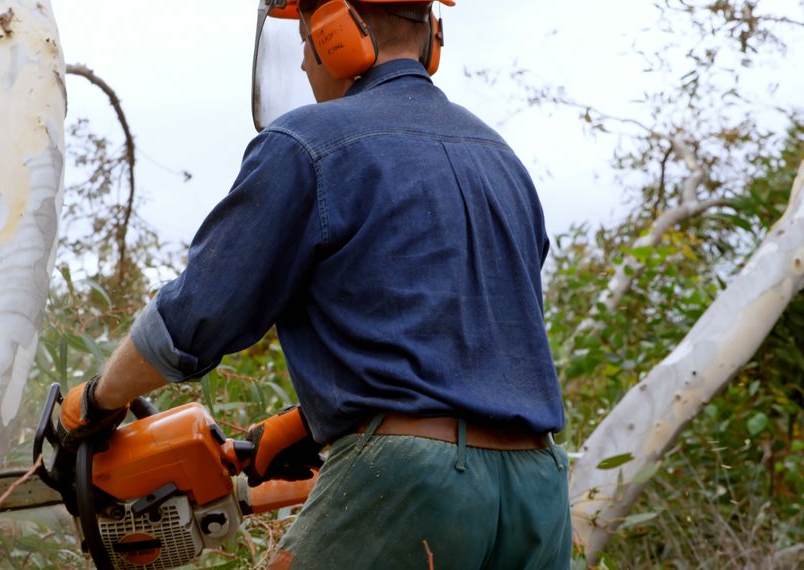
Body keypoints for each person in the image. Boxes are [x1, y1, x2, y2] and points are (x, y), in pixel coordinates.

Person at [61, 1, 571, 568]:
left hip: (409, 483)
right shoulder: (502, 160)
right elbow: (476, 343)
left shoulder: (308, 144)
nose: (304, 63)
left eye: (305, 39)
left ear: (336, 35)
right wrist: (306, 427)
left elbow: (195, 320)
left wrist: (96, 402)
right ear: (432, 39)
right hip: (538, 491)